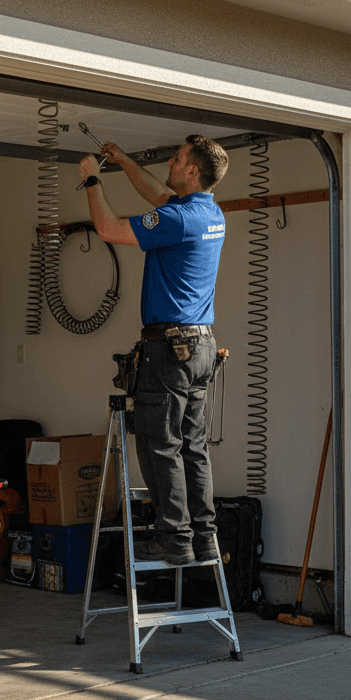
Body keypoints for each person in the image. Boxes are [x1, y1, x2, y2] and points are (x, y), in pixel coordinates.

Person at [78, 135, 229, 566]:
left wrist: (92, 181)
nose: (170, 160)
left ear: (193, 171)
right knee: (192, 448)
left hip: (170, 349)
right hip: (201, 346)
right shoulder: (208, 212)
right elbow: (159, 194)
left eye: (178, 158)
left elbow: (107, 229)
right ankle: (204, 537)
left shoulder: (178, 219)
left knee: (159, 444)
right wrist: (124, 159)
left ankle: (174, 539)